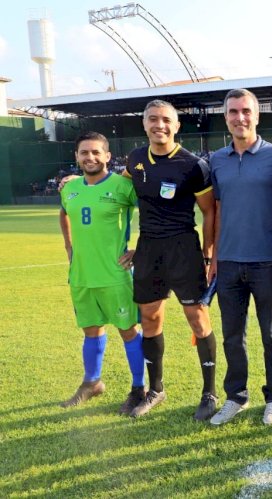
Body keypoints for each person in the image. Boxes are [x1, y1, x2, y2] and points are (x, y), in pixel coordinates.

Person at [123, 99, 217, 420]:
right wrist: (78, 181)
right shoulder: (135, 159)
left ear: (176, 126)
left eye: (165, 120)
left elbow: (209, 212)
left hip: (183, 250)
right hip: (149, 249)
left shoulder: (193, 165)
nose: (159, 125)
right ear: (144, 123)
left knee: (197, 318)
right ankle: (156, 388)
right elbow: (117, 190)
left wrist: (208, 254)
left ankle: (209, 393)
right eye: (153, 119)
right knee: (149, 318)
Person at [207, 89, 272, 426]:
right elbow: (216, 209)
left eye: (245, 111)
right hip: (227, 262)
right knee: (232, 335)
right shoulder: (217, 160)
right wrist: (212, 255)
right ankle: (236, 397)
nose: (239, 118)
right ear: (225, 117)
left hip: (265, 262)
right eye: (233, 112)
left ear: (257, 116)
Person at [59, 131, 145, 413]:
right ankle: (92, 383)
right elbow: (64, 213)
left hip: (115, 275)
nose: (90, 157)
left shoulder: (123, 186)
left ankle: (139, 387)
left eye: (96, 152)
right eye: (84, 153)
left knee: (128, 330)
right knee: (91, 330)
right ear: (77, 157)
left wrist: (139, 249)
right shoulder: (69, 188)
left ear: (107, 156)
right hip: (82, 276)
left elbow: (151, 211)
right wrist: (69, 249)